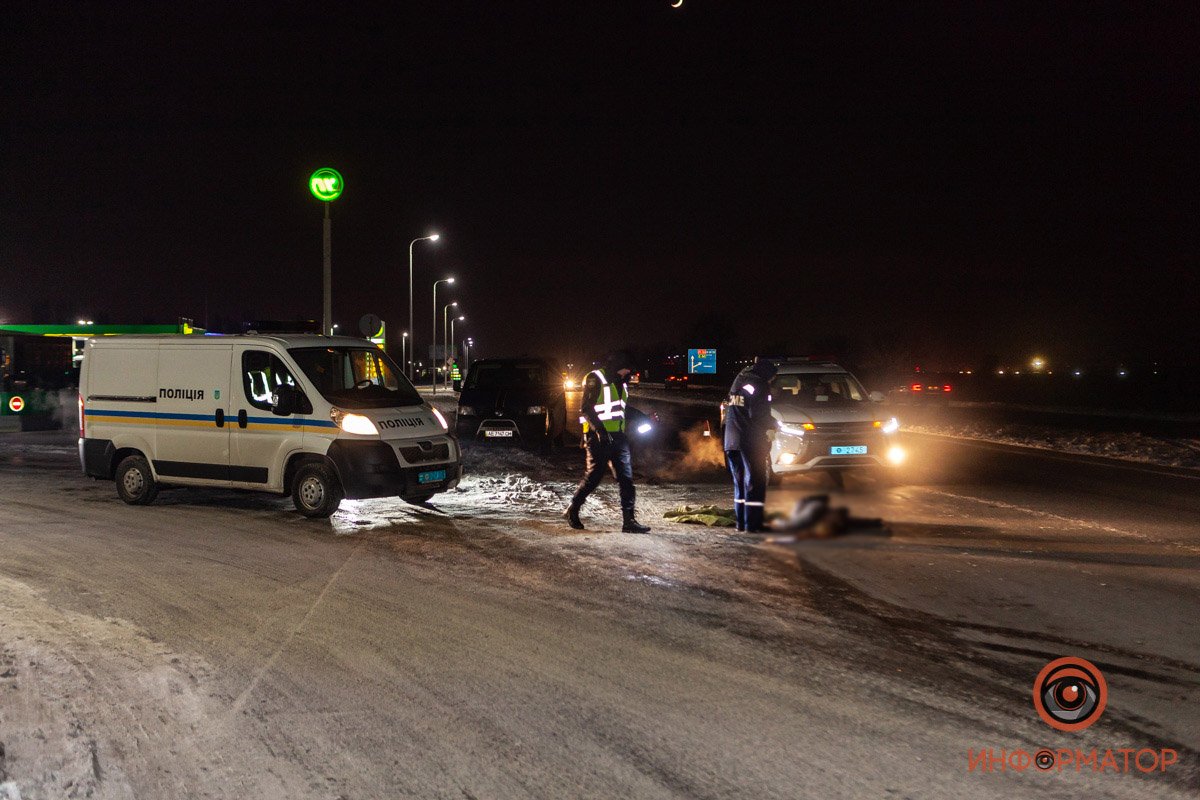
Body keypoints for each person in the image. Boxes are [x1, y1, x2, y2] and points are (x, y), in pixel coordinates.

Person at [564, 351, 651, 533]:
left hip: (618, 437)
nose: (628, 373)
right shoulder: (595, 378)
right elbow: (586, 409)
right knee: (594, 478)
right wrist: (600, 432)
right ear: (619, 365)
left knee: (626, 479)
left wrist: (644, 417)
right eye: (627, 369)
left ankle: (629, 522)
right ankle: (573, 510)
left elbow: (620, 409)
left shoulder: (622, 383)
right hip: (598, 438)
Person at [724, 357, 778, 532]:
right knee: (756, 482)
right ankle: (753, 525)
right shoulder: (760, 384)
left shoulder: (738, 380)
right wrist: (773, 425)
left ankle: (741, 523)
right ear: (767, 374)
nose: (772, 381)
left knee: (739, 483)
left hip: (731, 440)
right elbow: (759, 414)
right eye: (772, 378)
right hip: (750, 440)